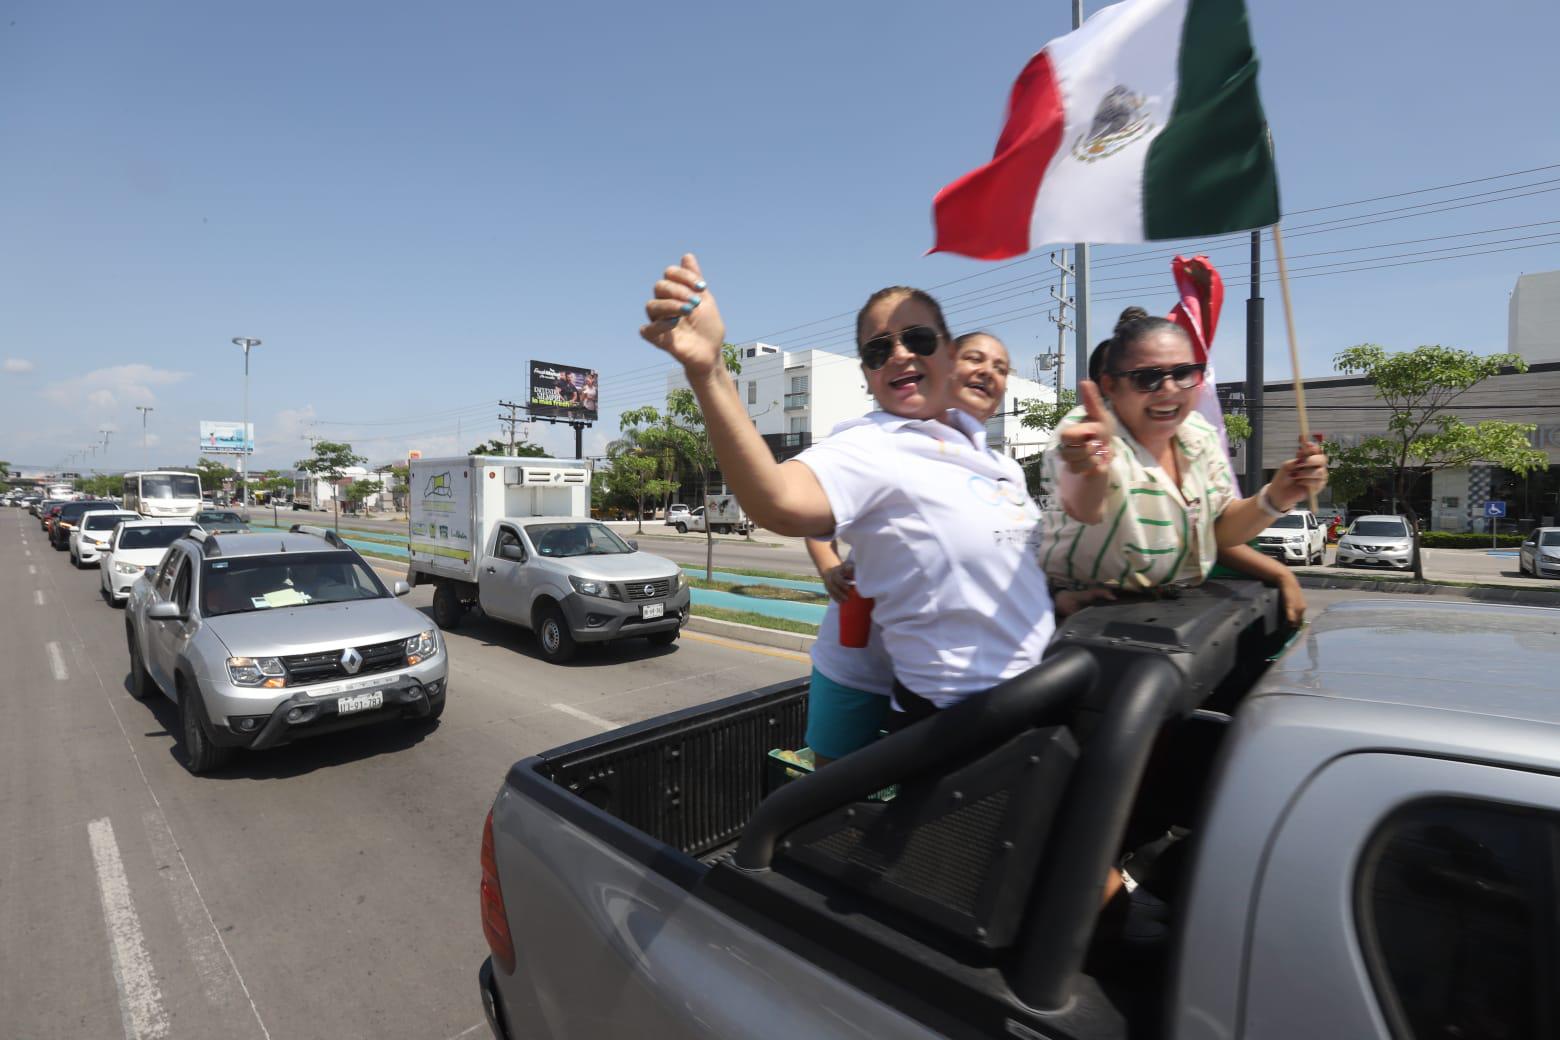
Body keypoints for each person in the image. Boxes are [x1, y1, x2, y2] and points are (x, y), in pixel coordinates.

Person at [640, 256, 1055, 719]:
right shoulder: (874, 444)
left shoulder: (995, 460)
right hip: (962, 724)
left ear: (947, 352)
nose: (899, 354)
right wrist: (711, 372)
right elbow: (777, 502)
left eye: (917, 338)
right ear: (868, 375)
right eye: (879, 351)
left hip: (1042, 696)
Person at [804, 328, 1017, 764]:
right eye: (974, 360)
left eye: (1001, 368)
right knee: (830, 784)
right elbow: (811, 514)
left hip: (941, 682)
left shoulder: (1004, 471)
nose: (988, 374)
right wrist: (829, 568)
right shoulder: (877, 439)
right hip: (858, 660)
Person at [1040, 307, 1327, 611]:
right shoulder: (1083, 431)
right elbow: (1084, 506)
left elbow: (1221, 531)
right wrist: (1091, 471)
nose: (1168, 389)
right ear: (1110, 385)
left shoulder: (1198, 433)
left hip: (1178, 610)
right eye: (1147, 377)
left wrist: (1276, 496)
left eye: (1181, 374)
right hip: (1089, 615)